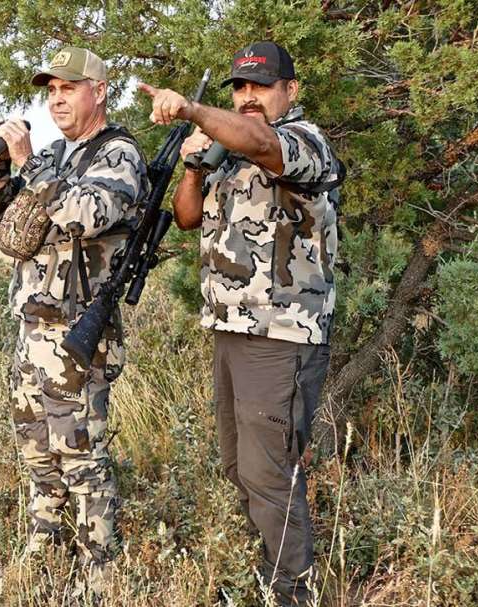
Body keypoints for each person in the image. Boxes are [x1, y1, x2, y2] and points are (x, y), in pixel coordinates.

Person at [139, 41, 344, 606]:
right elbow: (186, 216)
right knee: (241, 465)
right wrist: (192, 161)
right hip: (231, 328)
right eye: (240, 87)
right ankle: (268, 573)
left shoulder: (303, 142)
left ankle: (293, 594)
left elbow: (262, 143)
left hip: (282, 336)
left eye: (261, 85)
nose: (248, 97)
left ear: (290, 90)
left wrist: (192, 111)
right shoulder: (228, 152)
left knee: (270, 473)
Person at [0, 46, 149, 599]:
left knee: (79, 451)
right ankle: (44, 543)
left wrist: (31, 167)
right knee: (35, 445)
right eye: (50, 90)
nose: (56, 99)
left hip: (78, 331)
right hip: (33, 327)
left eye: (68, 88)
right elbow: (7, 225)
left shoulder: (117, 154)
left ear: (99, 91)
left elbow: (85, 215)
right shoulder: (57, 154)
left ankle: (102, 563)